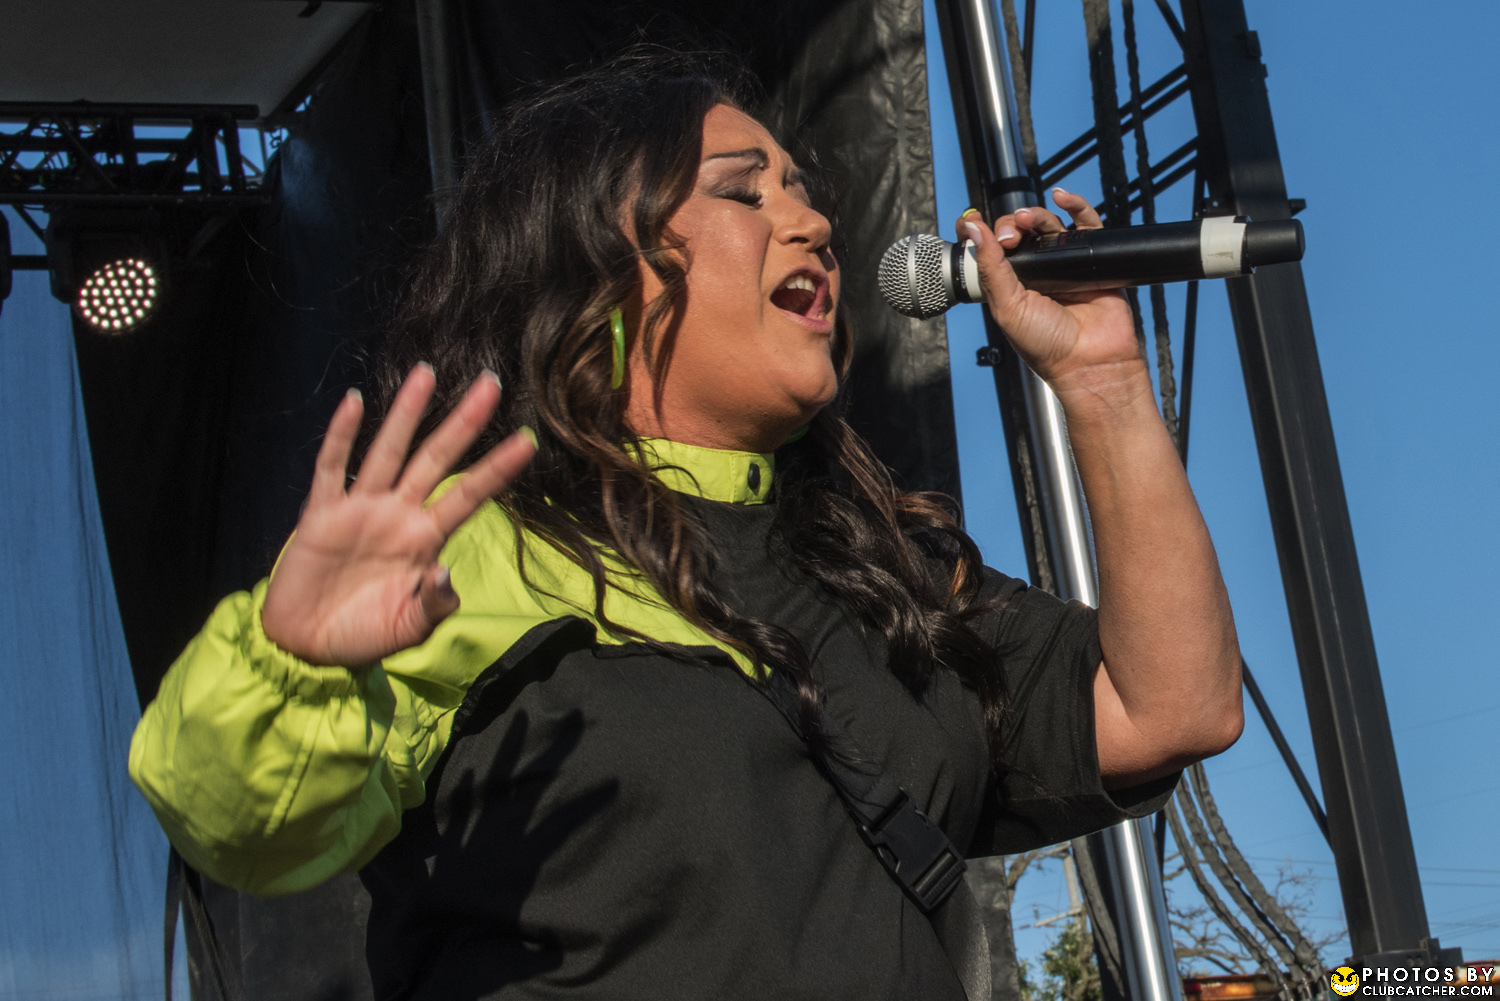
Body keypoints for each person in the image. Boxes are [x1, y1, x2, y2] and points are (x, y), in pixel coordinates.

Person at [129, 49, 1242, 1001]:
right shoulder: (462, 549)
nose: (815, 221)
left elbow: (1174, 705)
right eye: (743, 193)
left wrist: (1105, 385)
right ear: (595, 268)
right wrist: (290, 665)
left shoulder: (879, 569)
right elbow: (237, 822)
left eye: (804, 189)